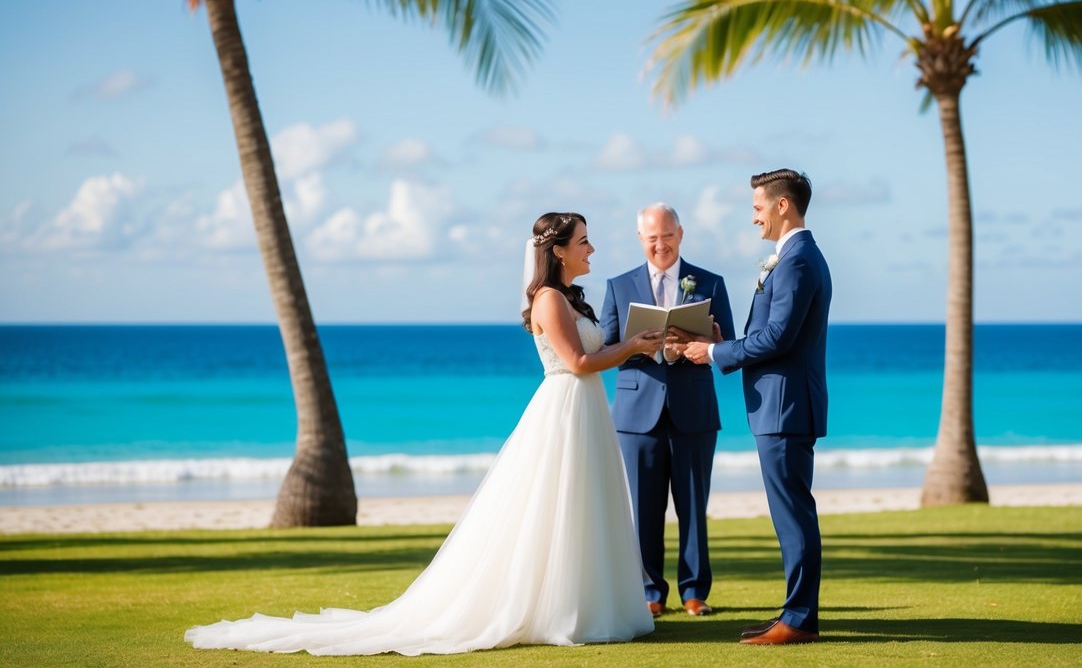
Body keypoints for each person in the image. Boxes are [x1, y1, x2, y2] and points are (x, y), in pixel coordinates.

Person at [185, 212, 662, 656]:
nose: (591, 249)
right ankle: (558, 610)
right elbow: (578, 363)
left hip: (585, 410)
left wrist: (637, 344)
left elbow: (591, 356)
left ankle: (589, 603)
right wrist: (631, 348)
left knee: (583, 506)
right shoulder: (549, 299)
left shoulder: (572, 298)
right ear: (558, 251)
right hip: (564, 411)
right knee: (555, 507)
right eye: (583, 242)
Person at [676, 169, 831, 646]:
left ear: (783, 206)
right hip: (778, 406)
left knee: (793, 513)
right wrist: (728, 341)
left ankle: (800, 619)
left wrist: (717, 353)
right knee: (789, 511)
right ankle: (794, 612)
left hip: (785, 407)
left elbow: (780, 337)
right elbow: (772, 333)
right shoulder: (791, 258)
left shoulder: (799, 260)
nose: (753, 217)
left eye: (758, 207)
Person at [600, 204, 734, 618]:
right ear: (641, 239)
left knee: (694, 505)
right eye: (652, 237)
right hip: (636, 412)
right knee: (644, 508)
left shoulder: (710, 282)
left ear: (681, 233)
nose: (661, 245)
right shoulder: (619, 286)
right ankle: (650, 593)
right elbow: (605, 349)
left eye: (668, 236)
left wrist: (697, 346)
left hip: (693, 408)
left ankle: (694, 592)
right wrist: (638, 346)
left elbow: (726, 344)